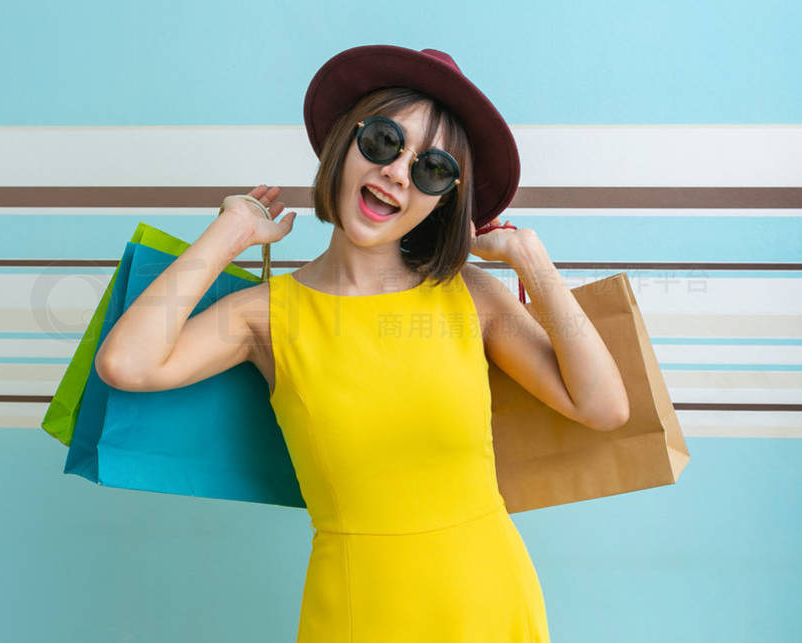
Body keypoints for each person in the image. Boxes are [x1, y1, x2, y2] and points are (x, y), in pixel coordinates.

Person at [96, 45, 629, 642]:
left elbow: (604, 406)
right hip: (356, 610)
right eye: (383, 142)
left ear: (444, 199)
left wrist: (533, 264)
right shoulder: (267, 316)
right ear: (343, 146)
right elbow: (125, 363)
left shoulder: (468, 296)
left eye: (432, 169)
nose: (399, 172)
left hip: (489, 598)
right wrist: (230, 234)